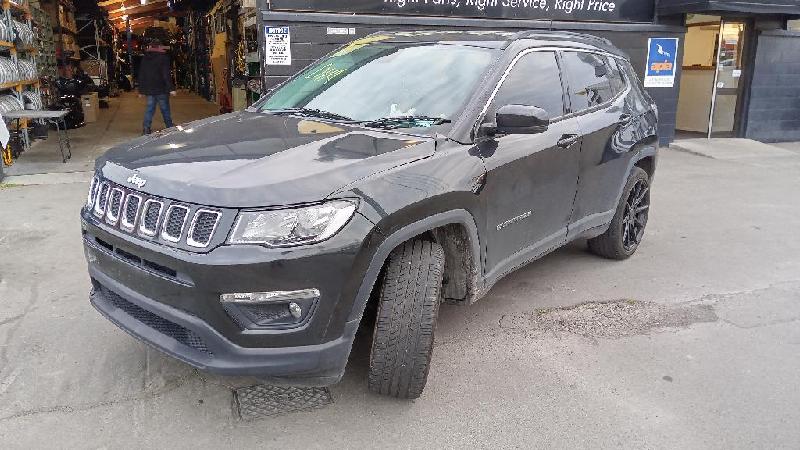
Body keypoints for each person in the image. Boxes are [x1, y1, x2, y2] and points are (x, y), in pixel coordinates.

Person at [137, 40, 176, 134]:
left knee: (150, 108)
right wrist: (171, 88)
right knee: (165, 109)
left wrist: (141, 90)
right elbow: (166, 74)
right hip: (161, 88)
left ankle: (146, 128)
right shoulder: (163, 58)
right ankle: (169, 126)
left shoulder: (145, 58)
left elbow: (142, 74)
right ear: (159, 47)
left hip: (150, 89)